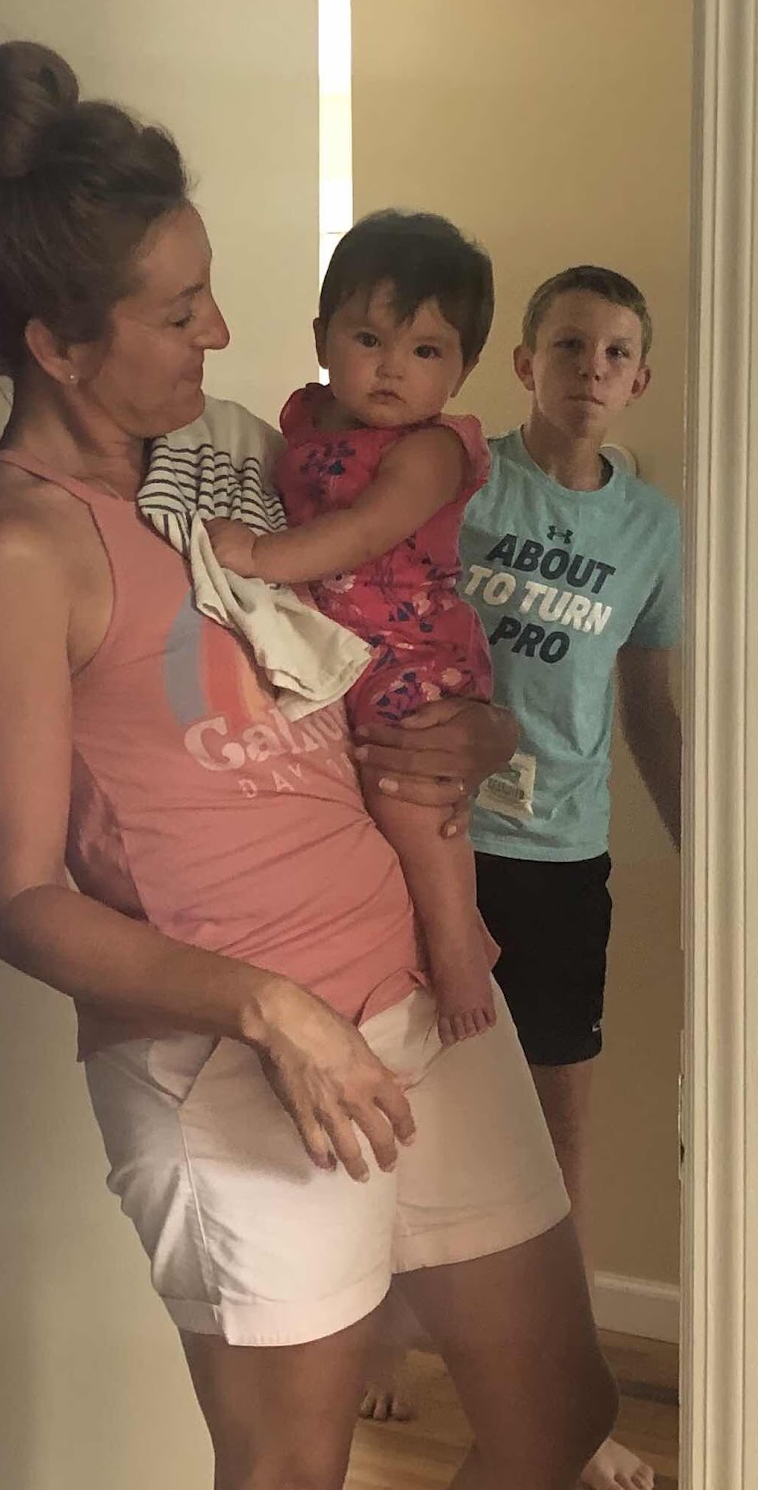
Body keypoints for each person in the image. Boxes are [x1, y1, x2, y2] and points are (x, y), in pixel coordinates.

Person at [0, 41, 619, 1490]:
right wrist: (271, 1010)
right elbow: (17, 898)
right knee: (291, 1466)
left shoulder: (230, 460)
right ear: (58, 345)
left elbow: (387, 633)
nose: (222, 330)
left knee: (561, 1417)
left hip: (421, 995)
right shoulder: (17, 553)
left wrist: (481, 732)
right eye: (179, 311)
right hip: (231, 1063)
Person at [465, 265, 683, 1490]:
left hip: (561, 859)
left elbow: (648, 707)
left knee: (557, 1142)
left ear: (638, 379)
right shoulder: (459, 478)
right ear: (525, 364)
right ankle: (389, 1333)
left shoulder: (651, 529)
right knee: (405, 1107)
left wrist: (705, 861)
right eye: (567, 346)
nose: (589, 369)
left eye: (613, 353)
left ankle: (567, 1403)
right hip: (430, 846)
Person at [205, 210, 499, 1045]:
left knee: (408, 792)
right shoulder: (303, 421)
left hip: (411, 647)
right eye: (369, 339)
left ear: (463, 370)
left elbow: (366, 531)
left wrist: (261, 555)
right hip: (343, 643)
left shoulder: (432, 450)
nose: (392, 368)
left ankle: (460, 947)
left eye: (427, 351)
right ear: (322, 339)